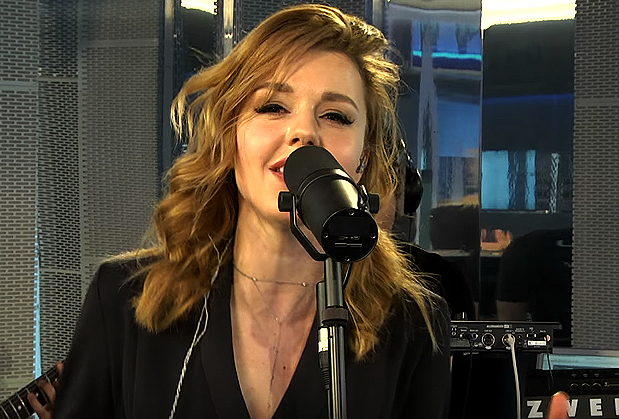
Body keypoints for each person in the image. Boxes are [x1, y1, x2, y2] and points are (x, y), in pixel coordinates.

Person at [50, 4, 451, 418]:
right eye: (273, 107)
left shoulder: (413, 325)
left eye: (335, 115)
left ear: (362, 161)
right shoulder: (121, 299)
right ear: (230, 138)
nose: (304, 132)